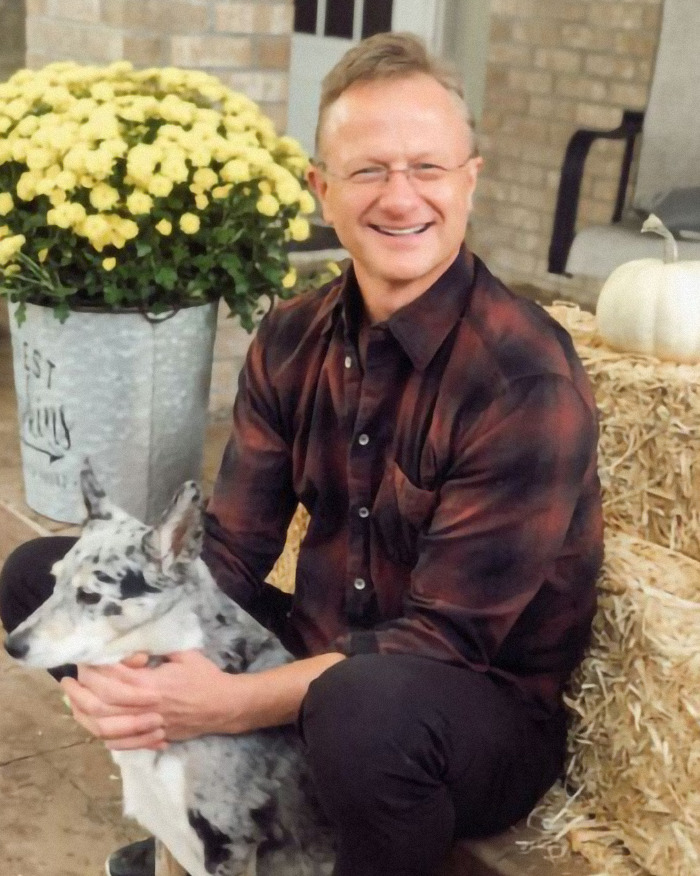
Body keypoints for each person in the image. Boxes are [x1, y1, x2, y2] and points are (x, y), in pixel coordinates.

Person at [0, 32, 603, 876]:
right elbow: (234, 556)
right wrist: (152, 678)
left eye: (427, 168)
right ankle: (203, 830)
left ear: (471, 178)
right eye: (367, 171)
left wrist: (224, 701)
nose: (401, 198)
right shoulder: (292, 334)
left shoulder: (522, 379)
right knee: (45, 578)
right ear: (322, 189)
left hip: (464, 712)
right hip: (316, 654)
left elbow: (441, 643)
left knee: (361, 710)